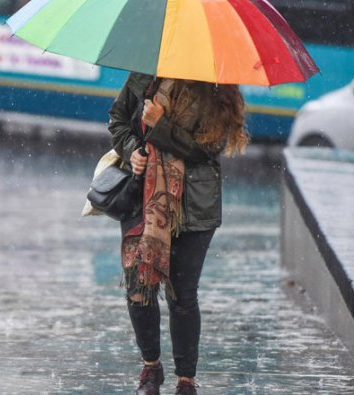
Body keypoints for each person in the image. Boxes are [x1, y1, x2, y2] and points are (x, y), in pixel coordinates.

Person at [108, 72, 248, 395]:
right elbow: (117, 120)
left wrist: (159, 126)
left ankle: (186, 380)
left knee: (181, 295)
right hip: (141, 197)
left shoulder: (214, 83)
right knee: (139, 287)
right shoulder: (144, 74)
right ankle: (151, 368)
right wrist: (132, 149)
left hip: (194, 206)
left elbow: (207, 148)